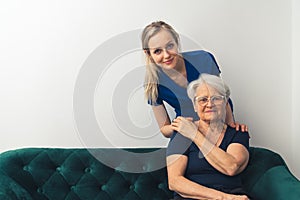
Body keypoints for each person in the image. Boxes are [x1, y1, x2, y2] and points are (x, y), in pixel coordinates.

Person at [141, 21, 247, 138]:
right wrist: (181, 126)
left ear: (177, 42)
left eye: (170, 46)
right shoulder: (152, 83)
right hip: (187, 133)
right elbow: (164, 129)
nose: (166, 55)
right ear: (148, 54)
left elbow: (222, 98)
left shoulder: (204, 59)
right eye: (157, 51)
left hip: (218, 124)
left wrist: (230, 127)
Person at [166, 73, 250, 200]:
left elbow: (231, 167)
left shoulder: (237, 133)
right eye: (203, 100)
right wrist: (224, 198)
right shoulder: (181, 134)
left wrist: (194, 135)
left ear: (226, 103)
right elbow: (175, 182)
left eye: (216, 98)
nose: (210, 104)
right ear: (195, 106)